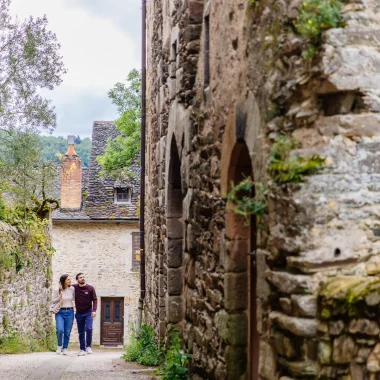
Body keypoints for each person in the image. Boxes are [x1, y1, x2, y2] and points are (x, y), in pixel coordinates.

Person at [72, 272, 97, 356]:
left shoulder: (90, 288)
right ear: (77, 280)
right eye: (80, 277)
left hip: (88, 312)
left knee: (89, 328)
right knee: (81, 332)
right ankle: (82, 349)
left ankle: (88, 346)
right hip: (79, 313)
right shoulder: (74, 287)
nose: (82, 278)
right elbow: (65, 287)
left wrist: (94, 310)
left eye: (83, 277)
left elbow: (95, 299)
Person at [52, 274, 75, 355]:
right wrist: (59, 298)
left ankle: (65, 348)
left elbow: (75, 299)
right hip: (60, 312)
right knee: (60, 329)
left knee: (67, 331)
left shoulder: (72, 289)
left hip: (70, 311)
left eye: (70, 279)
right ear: (64, 281)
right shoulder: (57, 289)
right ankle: (59, 346)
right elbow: (53, 301)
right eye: (68, 279)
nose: (70, 281)